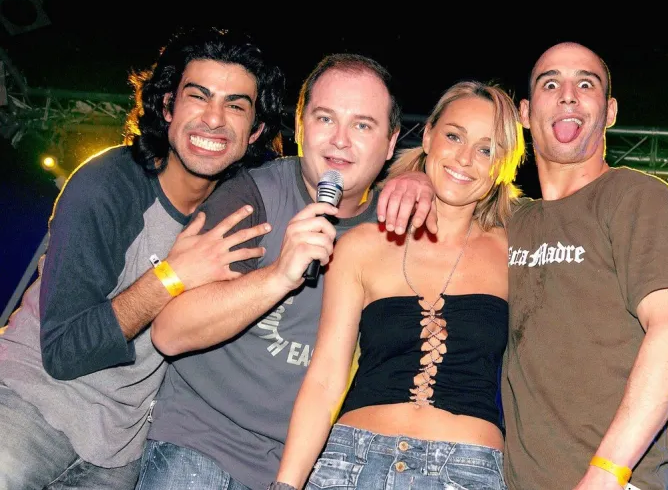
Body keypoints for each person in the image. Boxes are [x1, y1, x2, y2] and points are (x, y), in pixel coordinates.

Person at [378, 42, 668, 490]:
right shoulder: (514, 222)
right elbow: (455, 196)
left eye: (585, 84)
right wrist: (416, 176)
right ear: (526, 113)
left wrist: (608, 472)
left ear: (609, 112)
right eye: (552, 83)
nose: (568, 94)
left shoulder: (635, 196)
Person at [0, 26, 286, 490]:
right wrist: (173, 276)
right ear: (168, 107)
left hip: (118, 454)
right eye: (198, 97)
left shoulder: (239, 217)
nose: (214, 119)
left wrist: (410, 178)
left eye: (235, 105)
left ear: (254, 131)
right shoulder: (110, 182)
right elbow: (64, 352)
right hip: (29, 406)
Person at [136, 53, 404, 490]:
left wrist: (423, 179)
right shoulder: (253, 193)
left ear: (391, 143)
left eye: (362, 125)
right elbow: (169, 331)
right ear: (300, 127)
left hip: (316, 462)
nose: (340, 141)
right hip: (203, 437)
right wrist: (280, 273)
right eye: (324, 119)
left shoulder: (398, 227)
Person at [273, 80, 526, 490]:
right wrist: (286, 484)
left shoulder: (518, 250)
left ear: (503, 165)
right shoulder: (359, 246)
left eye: (486, 149)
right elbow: (325, 379)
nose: (465, 158)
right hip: (350, 464)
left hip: (468, 470)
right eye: (454, 136)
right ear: (427, 135)